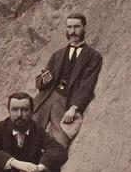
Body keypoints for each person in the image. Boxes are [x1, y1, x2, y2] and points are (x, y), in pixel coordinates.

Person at [32, 11, 104, 149]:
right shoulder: (57, 55)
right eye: (69, 27)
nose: (72, 31)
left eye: (76, 27)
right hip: (45, 98)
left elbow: (87, 85)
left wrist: (74, 107)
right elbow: (41, 81)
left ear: (84, 28)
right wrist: (43, 80)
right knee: (28, 133)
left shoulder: (93, 56)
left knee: (60, 143)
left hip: (66, 101)